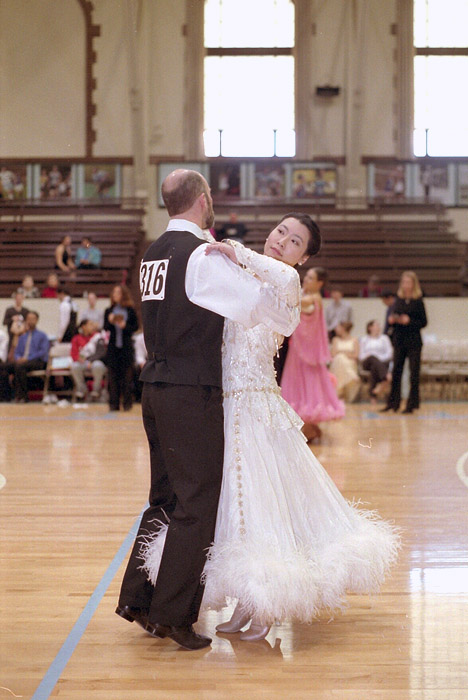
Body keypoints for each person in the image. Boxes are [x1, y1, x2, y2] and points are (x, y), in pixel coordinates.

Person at [140, 219, 400, 644]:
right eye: (281, 231)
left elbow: (280, 274)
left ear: (305, 257)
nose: (282, 241)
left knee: (259, 505)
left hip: (257, 409)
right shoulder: (240, 275)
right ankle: (244, 596)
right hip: (222, 406)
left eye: (294, 241)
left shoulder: (287, 281)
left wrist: (237, 250)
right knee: (231, 508)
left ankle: (265, 601)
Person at [116, 170, 307, 651]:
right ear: (204, 201)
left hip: (153, 388)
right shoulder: (202, 254)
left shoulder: (152, 253)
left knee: (162, 497)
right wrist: (247, 262)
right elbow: (265, 310)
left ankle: (138, 598)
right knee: (195, 504)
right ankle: (172, 616)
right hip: (188, 391)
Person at [281, 267, 345, 442]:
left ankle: (309, 428)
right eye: (306, 277)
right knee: (304, 387)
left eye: (310, 278)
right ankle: (311, 428)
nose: (306, 280)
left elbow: (297, 304)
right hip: (300, 350)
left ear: (319, 283)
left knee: (306, 388)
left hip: (305, 353)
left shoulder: (313, 299)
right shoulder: (307, 296)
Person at [381, 271, 427, 414]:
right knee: (396, 372)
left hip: (414, 341)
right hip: (399, 340)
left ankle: (411, 404)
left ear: (414, 284)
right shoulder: (398, 300)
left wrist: (410, 321)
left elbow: (424, 322)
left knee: (414, 373)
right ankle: (393, 403)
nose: (406, 285)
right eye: (404, 282)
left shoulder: (418, 301)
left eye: (409, 282)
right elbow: (394, 316)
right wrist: (393, 321)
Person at [1, 311, 49, 403]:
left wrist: (28, 359)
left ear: (37, 320)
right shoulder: (22, 337)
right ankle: (4, 396)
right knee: (3, 367)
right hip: (22, 362)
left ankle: (23, 396)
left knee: (20, 367)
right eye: (29, 319)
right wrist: (18, 358)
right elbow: (17, 352)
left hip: (37, 362)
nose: (30, 321)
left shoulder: (42, 335)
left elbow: (43, 352)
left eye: (33, 319)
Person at [103, 284, 138, 411]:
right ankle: (113, 404)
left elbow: (135, 327)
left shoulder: (130, 310)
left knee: (127, 378)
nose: (115, 295)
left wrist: (125, 326)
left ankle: (127, 404)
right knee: (113, 377)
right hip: (113, 349)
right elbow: (105, 327)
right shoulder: (109, 310)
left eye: (117, 293)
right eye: (114, 293)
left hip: (126, 348)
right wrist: (110, 321)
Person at [70, 320, 107, 400]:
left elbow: (101, 352)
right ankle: (82, 389)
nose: (93, 326)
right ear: (84, 326)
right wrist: (78, 359)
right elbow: (73, 353)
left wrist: (91, 361)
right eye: (90, 324)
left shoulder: (98, 337)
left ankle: (96, 389)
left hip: (95, 361)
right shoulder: (76, 338)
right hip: (83, 362)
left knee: (98, 366)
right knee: (74, 366)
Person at [359, 320, 393, 403]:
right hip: (367, 362)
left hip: (382, 362)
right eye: (376, 325)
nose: (378, 327)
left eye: (379, 325)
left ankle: (373, 396)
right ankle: (386, 377)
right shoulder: (364, 340)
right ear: (370, 327)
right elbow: (360, 355)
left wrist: (377, 359)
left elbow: (389, 353)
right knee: (372, 358)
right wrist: (372, 357)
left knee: (375, 366)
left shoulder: (384, 338)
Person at [330, 321, 361, 402]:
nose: (336, 329)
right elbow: (333, 354)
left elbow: (356, 355)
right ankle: (352, 376)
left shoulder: (354, 340)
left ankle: (341, 391)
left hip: (350, 363)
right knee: (339, 359)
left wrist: (341, 352)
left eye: (338, 327)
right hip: (337, 363)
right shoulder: (335, 340)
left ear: (343, 329)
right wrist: (346, 353)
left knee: (340, 358)